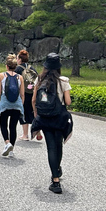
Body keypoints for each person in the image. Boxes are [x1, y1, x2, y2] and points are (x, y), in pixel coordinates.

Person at [31, 52, 73, 194]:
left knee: (51, 148)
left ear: (46, 66)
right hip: (59, 117)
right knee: (58, 145)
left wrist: (37, 116)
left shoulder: (39, 79)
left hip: (45, 118)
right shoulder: (63, 81)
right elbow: (67, 102)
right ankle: (57, 170)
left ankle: (55, 180)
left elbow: (34, 101)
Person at [0, 54, 25, 157]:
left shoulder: (1, 75)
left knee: (3, 124)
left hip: (5, 104)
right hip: (16, 105)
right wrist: (21, 105)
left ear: (7, 66)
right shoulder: (19, 77)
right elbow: (22, 94)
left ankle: (7, 143)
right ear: (15, 66)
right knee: (13, 126)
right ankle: (11, 151)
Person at [15, 50, 41, 142]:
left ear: (20, 59)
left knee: (23, 113)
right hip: (32, 94)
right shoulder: (32, 68)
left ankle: (25, 135)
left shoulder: (18, 69)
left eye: (17, 58)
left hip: (23, 94)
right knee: (33, 112)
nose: (16, 60)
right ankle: (37, 131)